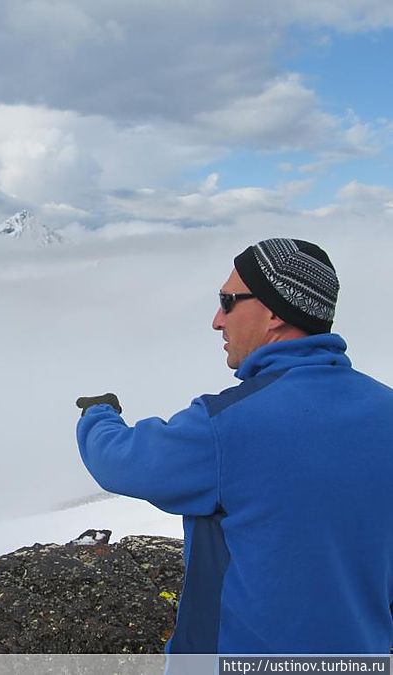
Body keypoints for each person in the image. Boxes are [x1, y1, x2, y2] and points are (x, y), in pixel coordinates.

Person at [75, 238, 393, 654]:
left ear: (275, 313)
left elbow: (121, 461)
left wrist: (98, 415)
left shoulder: (229, 425)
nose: (216, 320)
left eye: (227, 301)